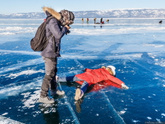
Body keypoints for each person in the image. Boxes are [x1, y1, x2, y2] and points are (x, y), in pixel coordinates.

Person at [39, 7, 75, 104]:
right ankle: (43, 96)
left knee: (54, 72)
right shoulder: (53, 21)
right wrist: (64, 28)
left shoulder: (56, 21)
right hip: (49, 51)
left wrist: (65, 29)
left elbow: (56, 34)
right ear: (65, 17)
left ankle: (53, 90)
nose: (67, 23)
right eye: (68, 21)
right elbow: (58, 35)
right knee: (49, 73)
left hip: (53, 51)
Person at [57, 65, 129, 101]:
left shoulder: (99, 69)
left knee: (71, 78)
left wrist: (85, 69)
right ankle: (80, 93)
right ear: (111, 72)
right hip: (90, 79)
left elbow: (90, 70)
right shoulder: (107, 75)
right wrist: (122, 84)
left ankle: (57, 79)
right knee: (85, 86)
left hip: (83, 75)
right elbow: (114, 79)